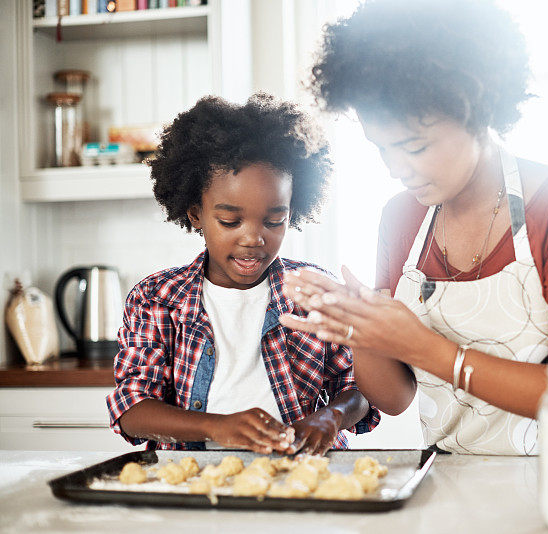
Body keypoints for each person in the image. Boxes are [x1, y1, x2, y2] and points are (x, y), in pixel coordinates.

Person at [280, 0, 548, 455]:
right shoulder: (402, 217)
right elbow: (395, 398)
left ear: (478, 110)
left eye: (414, 146)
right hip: (448, 486)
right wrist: (359, 330)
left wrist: (426, 349)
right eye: (381, 149)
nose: (396, 169)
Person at [106, 94, 380, 455]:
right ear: (195, 214)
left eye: (274, 220)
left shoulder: (313, 292)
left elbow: (360, 388)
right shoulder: (157, 298)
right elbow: (131, 409)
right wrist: (217, 426)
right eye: (230, 221)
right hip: (195, 486)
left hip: (303, 476)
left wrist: (331, 417)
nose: (253, 238)